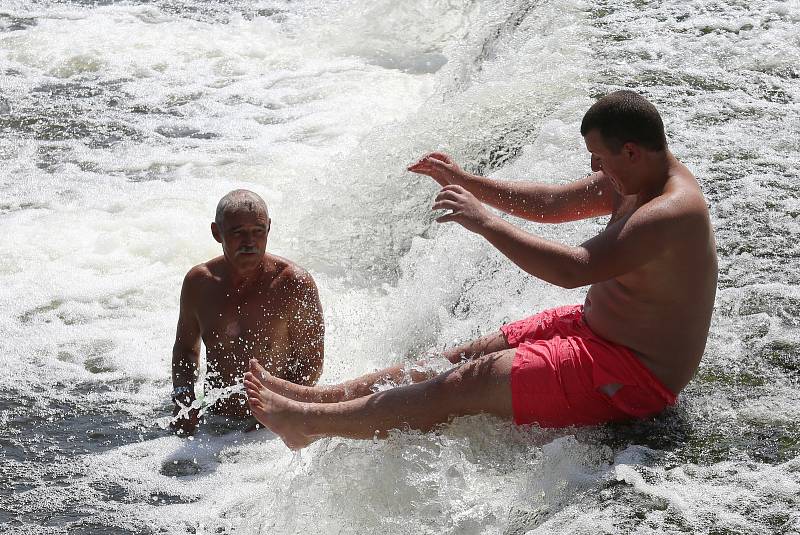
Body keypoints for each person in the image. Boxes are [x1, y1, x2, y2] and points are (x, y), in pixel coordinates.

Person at [243, 90, 718, 450]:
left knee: (466, 385)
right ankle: (319, 398)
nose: (594, 166)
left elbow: (576, 270)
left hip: (631, 376)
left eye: (599, 156)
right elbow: (553, 204)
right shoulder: (632, 178)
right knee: (462, 357)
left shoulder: (670, 212)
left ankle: (306, 426)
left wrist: (485, 221)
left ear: (631, 151)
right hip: (594, 333)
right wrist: (469, 183)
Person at [170, 189, 324, 435]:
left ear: (269, 229)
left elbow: (310, 363)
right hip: (216, 421)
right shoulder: (199, 283)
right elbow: (186, 351)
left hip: (273, 431)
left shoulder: (294, 283)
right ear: (216, 233)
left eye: (258, 232)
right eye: (238, 233)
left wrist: (278, 413)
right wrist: (184, 399)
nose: (249, 242)